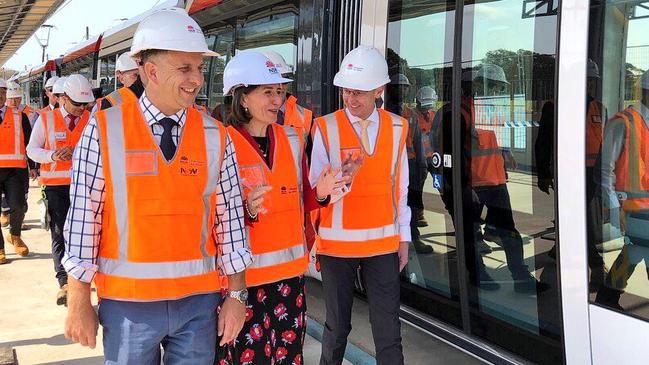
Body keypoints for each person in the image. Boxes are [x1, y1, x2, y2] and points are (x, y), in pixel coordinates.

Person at [62, 8, 251, 363]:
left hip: (199, 303)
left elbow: (231, 222)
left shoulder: (215, 135)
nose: (197, 79)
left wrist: (237, 297)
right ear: (151, 71)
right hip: (128, 306)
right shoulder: (104, 128)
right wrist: (78, 301)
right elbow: (84, 218)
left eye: (199, 68)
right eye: (185, 69)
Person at [218, 51, 344, 365]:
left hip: (289, 280)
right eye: (267, 92)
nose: (277, 100)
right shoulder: (221, 144)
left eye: (280, 92)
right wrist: (245, 210)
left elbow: (302, 200)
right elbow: (213, 216)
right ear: (242, 97)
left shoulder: (291, 138)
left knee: (288, 358)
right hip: (243, 284)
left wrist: (323, 193)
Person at [310, 45, 409, 365]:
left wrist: (404, 237)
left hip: (383, 246)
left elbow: (401, 189)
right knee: (337, 328)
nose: (351, 100)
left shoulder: (397, 127)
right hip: (336, 249)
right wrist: (326, 191)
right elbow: (315, 194)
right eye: (346, 91)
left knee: (388, 330)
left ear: (379, 90)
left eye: (360, 93)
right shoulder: (325, 127)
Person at [26, 74, 94, 306]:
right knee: (60, 233)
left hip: (85, 186)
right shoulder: (45, 119)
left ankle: (84, 277)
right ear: (63, 98)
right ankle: (64, 282)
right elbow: (32, 150)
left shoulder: (91, 119)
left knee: (88, 233)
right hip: (56, 187)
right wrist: (52, 156)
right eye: (77, 104)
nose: (81, 109)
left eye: (85, 104)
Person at [595, 70, 649, 310]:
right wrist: (615, 211)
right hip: (633, 209)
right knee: (637, 254)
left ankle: (606, 298)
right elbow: (606, 171)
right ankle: (607, 298)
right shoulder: (622, 121)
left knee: (632, 255)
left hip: (645, 209)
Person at [0, 78, 33, 265]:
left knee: (19, 205)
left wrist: (35, 166)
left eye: (3, 92)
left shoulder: (19, 116)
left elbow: (30, 142)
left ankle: (15, 235)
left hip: (15, 170)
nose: (1, 96)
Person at [262, 50, 313, 134]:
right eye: (273, 82)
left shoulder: (306, 117)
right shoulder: (247, 118)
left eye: (284, 80)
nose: (280, 86)